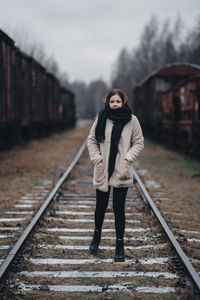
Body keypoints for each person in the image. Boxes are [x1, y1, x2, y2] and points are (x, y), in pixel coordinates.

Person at [87, 88, 144, 262]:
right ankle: (96, 237)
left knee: (119, 209)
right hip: (103, 169)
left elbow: (139, 143)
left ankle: (119, 246)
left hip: (121, 170)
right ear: (108, 102)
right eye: (112, 101)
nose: (115, 104)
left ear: (123, 102)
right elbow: (91, 140)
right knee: (100, 207)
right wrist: (97, 158)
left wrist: (128, 158)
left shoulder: (132, 120)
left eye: (118, 101)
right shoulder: (101, 117)